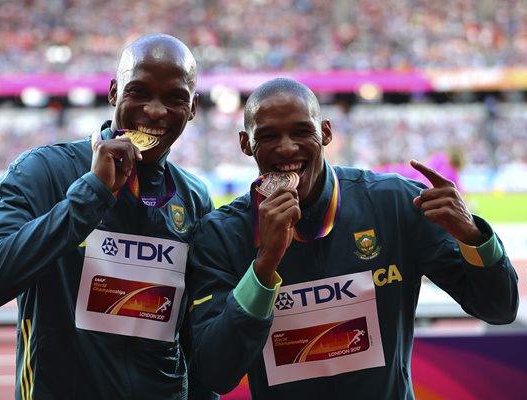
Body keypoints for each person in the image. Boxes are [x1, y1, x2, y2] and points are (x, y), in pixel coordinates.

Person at [187, 78, 519, 399]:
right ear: (246, 144)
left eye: (302, 131)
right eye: (269, 136)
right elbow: (217, 373)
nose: (287, 147)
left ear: (326, 132)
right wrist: (263, 268)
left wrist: (474, 238)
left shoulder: (396, 204)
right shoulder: (222, 234)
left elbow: (499, 308)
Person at [0, 34, 215, 400]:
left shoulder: (193, 198)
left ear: (192, 107)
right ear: (113, 92)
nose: (156, 111)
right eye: (138, 92)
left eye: (175, 98)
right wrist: (89, 197)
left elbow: (194, 335)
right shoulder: (43, 172)